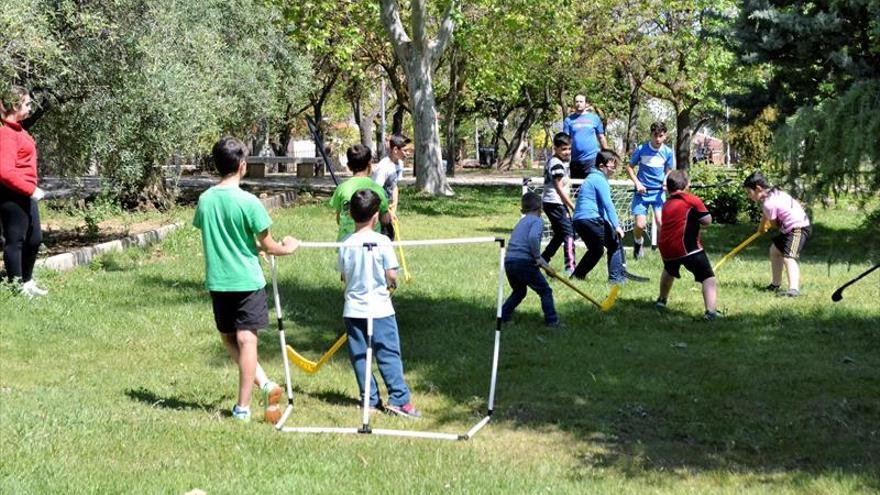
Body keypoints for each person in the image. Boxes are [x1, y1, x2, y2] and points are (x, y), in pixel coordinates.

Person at [193, 136, 300, 423]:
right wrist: (288, 246)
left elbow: (225, 237)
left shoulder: (205, 200)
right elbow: (270, 245)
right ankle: (247, 404)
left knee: (231, 338)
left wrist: (251, 247)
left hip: (219, 281)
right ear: (242, 165)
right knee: (245, 340)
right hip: (247, 282)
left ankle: (260, 388)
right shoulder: (250, 202)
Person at [338, 188, 421, 418]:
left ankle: (370, 400)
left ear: (352, 215)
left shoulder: (346, 243)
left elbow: (343, 275)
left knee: (360, 356)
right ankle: (399, 399)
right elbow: (392, 274)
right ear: (375, 216)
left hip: (353, 309)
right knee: (388, 353)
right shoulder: (383, 241)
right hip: (380, 310)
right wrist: (390, 283)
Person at [0, 86, 47, 297]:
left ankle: (27, 282)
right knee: (15, 241)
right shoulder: (7, 134)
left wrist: (30, 190)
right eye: (27, 104)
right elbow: (4, 171)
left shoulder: (18, 129)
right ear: (15, 105)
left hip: (26, 193)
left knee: (34, 239)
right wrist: (31, 189)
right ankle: (16, 288)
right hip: (13, 195)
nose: (30, 108)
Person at [655, 170, 720, 320]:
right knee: (707, 276)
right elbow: (707, 221)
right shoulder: (692, 200)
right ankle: (711, 312)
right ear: (687, 185)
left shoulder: (666, 204)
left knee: (669, 270)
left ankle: (661, 300)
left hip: (666, 248)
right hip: (688, 248)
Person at [743, 171, 811, 297]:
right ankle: (775, 284)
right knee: (774, 251)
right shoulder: (775, 193)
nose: (748, 196)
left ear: (758, 189)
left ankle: (793, 289)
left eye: (749, 192)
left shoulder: (769, 203)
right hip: (790, 228)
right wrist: (761, 227)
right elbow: (766, 215)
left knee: (789, 257)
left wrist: (767, 225)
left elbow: (774, 224)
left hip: (798, 228)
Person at [501, 192, 560, 328]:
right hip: (523, 263)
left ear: (523, 210)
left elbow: (532, 254)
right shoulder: (537, 221)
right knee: (545, 291)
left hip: (510, 261)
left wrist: (547, 268)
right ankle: (552, 321)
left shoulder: (521, 222)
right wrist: (538, 258)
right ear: (541, 209)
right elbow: (533, 239)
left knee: (519, 291)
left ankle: (502, 316)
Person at [570, 150, 626, 284]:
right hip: (590, 218)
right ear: (601, 166)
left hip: (579, 220)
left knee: (596, 250)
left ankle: (577, 276)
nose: (614, 170)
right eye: (612, 167)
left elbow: (602, 208)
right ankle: (616, 280)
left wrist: (611, 225)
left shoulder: (591, 177)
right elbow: (608, 204)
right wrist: (617, 226)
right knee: (614, 244)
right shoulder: (599, 179)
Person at [626, 121, 675, 259]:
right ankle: (638, 242)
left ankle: (665, 252)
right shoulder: (641, 149)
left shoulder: (667, 152)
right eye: (655, 136)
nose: (658, 139)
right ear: (651, 135)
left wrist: (666, 180)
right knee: (640, 225)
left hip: (658, 193)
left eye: (661, 136)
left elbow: (669, 169)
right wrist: (637, 183)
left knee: (661, 223)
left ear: (665, 136)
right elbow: (629, 167)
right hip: (642, 193)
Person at [329, 144, 391, 241]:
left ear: (349, 166)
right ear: (369, 164)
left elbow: (338, 219)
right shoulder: (378, 189)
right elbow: (385, 219)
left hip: (346, 242)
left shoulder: (341, 189)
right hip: (371, 243)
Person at [540, 132, 576, 275]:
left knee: (560, 234)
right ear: (555, 148)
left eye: (569, 148)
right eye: (563, 149)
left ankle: (543, 259)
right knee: (569, 233)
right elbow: (558, 188)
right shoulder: (556, 164)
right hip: (554, 203)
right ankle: (570, 267)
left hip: (554, 203)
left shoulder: (559, 162)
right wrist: (572, 205)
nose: (567, 152)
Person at [371, 134, 410, 240]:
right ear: (396, 150)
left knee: (389, 236)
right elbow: (375, 192)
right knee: (383, 238)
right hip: (377, 207)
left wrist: (394, 205)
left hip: (386, 207)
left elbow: (394, 185)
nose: (408, 153)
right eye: (405, 150)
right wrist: (386, 210)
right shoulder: (384, 167)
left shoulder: (399, 163)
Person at [563, 95, 609, 179]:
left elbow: (601, 137)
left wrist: (607, 155)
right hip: (575, 161)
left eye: (581, 101)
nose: (579, 104)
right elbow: (565, 141)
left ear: (586, 103)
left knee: (591, 186)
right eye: (577, 102)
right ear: (574, 103)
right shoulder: (568, 120)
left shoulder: (594, 118)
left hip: (592, 160)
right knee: (576, 189)